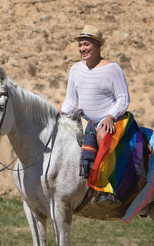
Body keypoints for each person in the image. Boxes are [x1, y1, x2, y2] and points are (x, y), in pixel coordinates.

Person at [60, 24, 130, 203]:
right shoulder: (75, 69)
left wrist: (110, 117)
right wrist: (61, 113)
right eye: (80, 45)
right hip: (84, 120)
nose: (83, 48)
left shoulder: (112, 69)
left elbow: (123, 98)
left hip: (109, 120)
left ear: (98, 46)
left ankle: (109, 188)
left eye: (87, 44)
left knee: (102, 135)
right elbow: (71, 101)